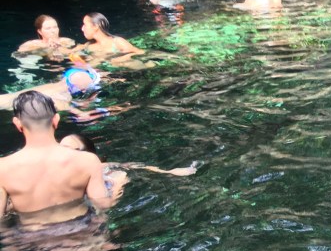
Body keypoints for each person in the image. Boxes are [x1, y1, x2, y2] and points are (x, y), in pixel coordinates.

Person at [0, 91, 111, 223]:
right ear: (56, 120)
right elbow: (102, 205)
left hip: (31, 235)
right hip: (81, 232)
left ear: (17, 124)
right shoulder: (88, 161)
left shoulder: (3, 169)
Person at [60, 133, 198, 199]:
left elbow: (137, 167)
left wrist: (169, 172)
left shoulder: (104, 168)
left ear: (89, 156)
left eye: (69, 150)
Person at [73, 12, 145, 67]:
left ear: (95, 26)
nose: (82, 28)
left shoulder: (117, 42)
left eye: (85, 24)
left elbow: (141, 52)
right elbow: (76, 60)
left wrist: (122, 58)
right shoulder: (88, 46)